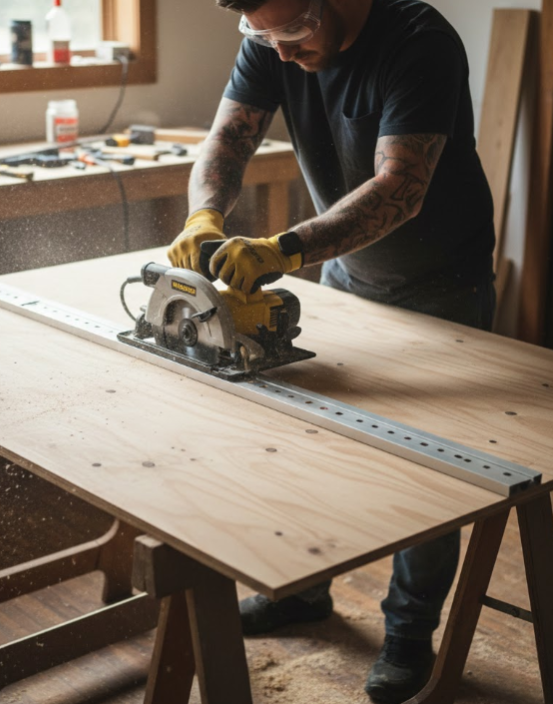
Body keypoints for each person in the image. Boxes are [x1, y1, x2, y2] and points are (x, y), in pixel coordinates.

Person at [166, 0, 496, 702]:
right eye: (263, 37)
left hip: (442, 286)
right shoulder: (272, 37)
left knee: (433, 470)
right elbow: (227, 140)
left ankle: (410, 636)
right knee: (319, 436)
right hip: (348, 272)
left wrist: (284, 248)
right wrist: (204, 214)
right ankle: (305, 591)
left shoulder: (419, 41)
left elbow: (399, 188)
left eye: (294, 33)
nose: (281, 55)